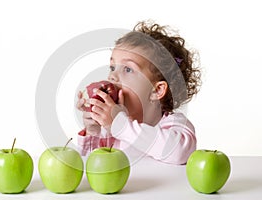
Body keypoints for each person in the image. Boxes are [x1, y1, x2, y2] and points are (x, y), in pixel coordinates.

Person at [76, 20, 201, 165]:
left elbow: (179, 153)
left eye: (128, 69)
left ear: (157, 90)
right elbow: (90, 167)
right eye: (112, 68)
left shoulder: (174, 125)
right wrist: (93, 130)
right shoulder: (110, 128)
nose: (112, 77)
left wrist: (121, 125)